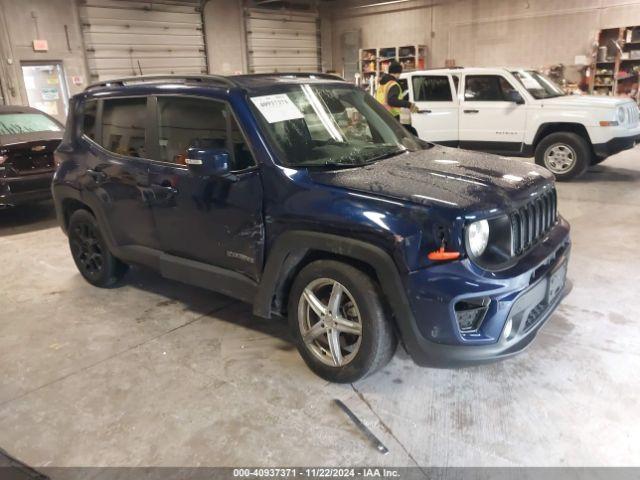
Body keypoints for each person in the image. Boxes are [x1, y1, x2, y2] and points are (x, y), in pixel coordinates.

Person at [375, 61, 419, 136]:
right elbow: (392, 101)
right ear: (397, 73)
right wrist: (409, 104)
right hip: (391, 117)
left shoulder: (382, 84)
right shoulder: (393, 85)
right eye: (400, 73)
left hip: (380, 116)